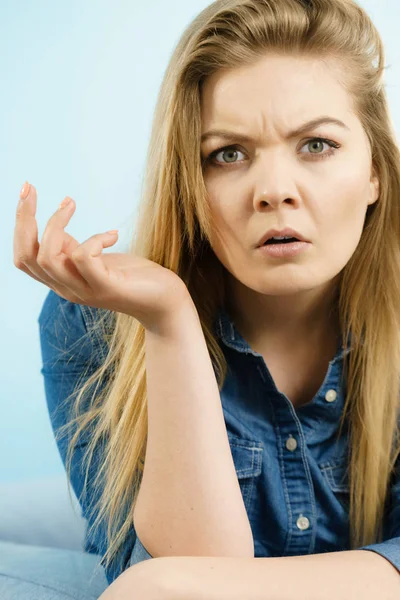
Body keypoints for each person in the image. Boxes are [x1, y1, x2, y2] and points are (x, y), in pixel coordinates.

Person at [9, 0, 400, 597]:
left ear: (375, 170)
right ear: (190, 184)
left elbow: (185, 586)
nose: (273, 191)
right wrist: (168, 319)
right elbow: (179, 580)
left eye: (317, 145)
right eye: (228, 154)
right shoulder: (93, 321)